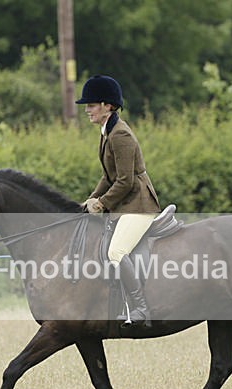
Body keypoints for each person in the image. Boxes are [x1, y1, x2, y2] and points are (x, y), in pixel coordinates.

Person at [76, 75, 161, 327]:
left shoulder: (120, 135)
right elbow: (108, 176)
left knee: (116, 251)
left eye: (91, 105)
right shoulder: (107, 132)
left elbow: (125, 181)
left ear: (108, 106)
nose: (87, 110)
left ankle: (140, 308)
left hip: (139, 205)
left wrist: (101, 203)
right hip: (126, 204)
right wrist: (90, 200)